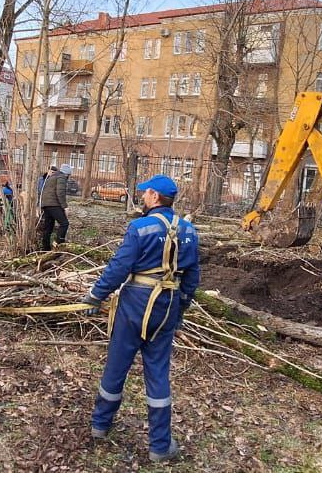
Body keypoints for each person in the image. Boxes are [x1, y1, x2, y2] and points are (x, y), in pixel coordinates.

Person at [80, 174, 200, 462]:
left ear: (156, 197)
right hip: (167, 305)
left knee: (117, 362)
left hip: (136, 302)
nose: (144, 196)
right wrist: (180, 309)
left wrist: (97, 295)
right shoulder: (190, 231)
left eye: (146, 193)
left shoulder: (140, 227)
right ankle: (160, 446)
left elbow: (119, 267)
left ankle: (100, 425)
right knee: (158, 371)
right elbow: (192, 277)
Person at [39, 164, 71, 250]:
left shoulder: (52, 177)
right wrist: (65, 207)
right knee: (64, 224)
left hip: (45, 204)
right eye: (69, 175)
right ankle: (58, 245)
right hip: (53, 204)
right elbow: (60, 193)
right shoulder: (61, 177)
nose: (68, 177)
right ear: (67, 174)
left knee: (48, 227)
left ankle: (45, 249)